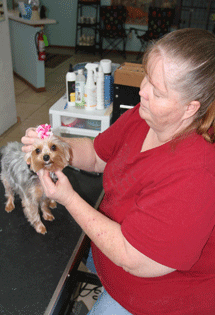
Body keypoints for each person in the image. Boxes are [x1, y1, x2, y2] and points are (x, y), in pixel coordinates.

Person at [22, 28, 215, 314]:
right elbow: (98, 156)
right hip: (110, 259)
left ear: (190, 108)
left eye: (157, 91)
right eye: (147, 76)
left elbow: (133, 257)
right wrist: (55, 147)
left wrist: (69, 199)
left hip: (159, 298)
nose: (142, 91)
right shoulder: (143, 116)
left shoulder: (197, 173)